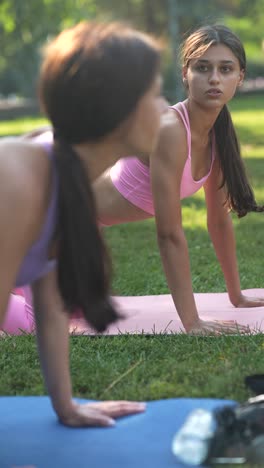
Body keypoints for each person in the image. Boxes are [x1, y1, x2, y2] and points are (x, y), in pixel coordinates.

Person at [0, 21, 167, 426]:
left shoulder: (66, 180)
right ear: (118, 109)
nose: (166, 110)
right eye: (157, 94)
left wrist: (67, 408)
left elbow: (52, 305)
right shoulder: (19, 179)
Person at [93, 24, 264, 335]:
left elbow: (218, 220)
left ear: (240, 76)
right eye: (202, 68)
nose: (214, 78)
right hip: (53, 217)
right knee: (25, 317)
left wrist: (236, 296)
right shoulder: (171, 130)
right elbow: (169, 233)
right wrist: (192, 323)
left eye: (225, 69)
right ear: (185, 73)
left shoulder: (218, 134)